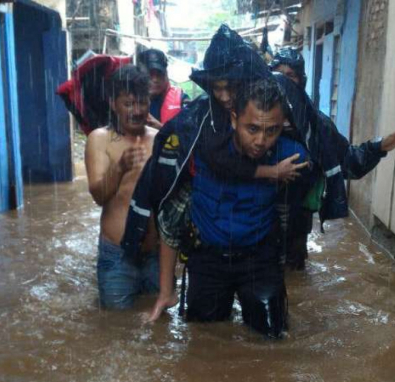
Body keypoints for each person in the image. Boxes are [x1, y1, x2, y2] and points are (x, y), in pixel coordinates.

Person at [157, 78, 313, 338]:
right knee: (203, 344)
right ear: (233, 119)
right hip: (207, 260)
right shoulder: (204, 148)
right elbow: (170, 217)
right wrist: (165, 290)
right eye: (252, 129)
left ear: (283, 125)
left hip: (260, 261)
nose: (261, 141)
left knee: (272, 342)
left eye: (271, 131)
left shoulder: (291, 157)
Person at [270, 48, 395, 270]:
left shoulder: (318, 126)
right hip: (258, 221)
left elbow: (347, 162)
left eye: (290, 76)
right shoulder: (255, 120)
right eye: (278, 75)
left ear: (300, 82)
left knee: (294, 280)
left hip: (297, 223)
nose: (284, 83)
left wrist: (378, 147)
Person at [84, 65, 159, 309]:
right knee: (115, 330)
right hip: (117, 256)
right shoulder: (100, 139)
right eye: (128, 104)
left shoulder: (159, 139)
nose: (137, 111)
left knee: (159, 328)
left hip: (155, 256)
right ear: (113, 103)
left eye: (142, 102)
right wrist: (120, 167)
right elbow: (98, 195)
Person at [135, 48, 189, 129]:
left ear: (166, 74)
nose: (155, 80)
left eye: (159, 74)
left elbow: (190, 136)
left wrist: (160, 129)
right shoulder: (129, 101)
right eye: (150, 74)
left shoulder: (182, 100)